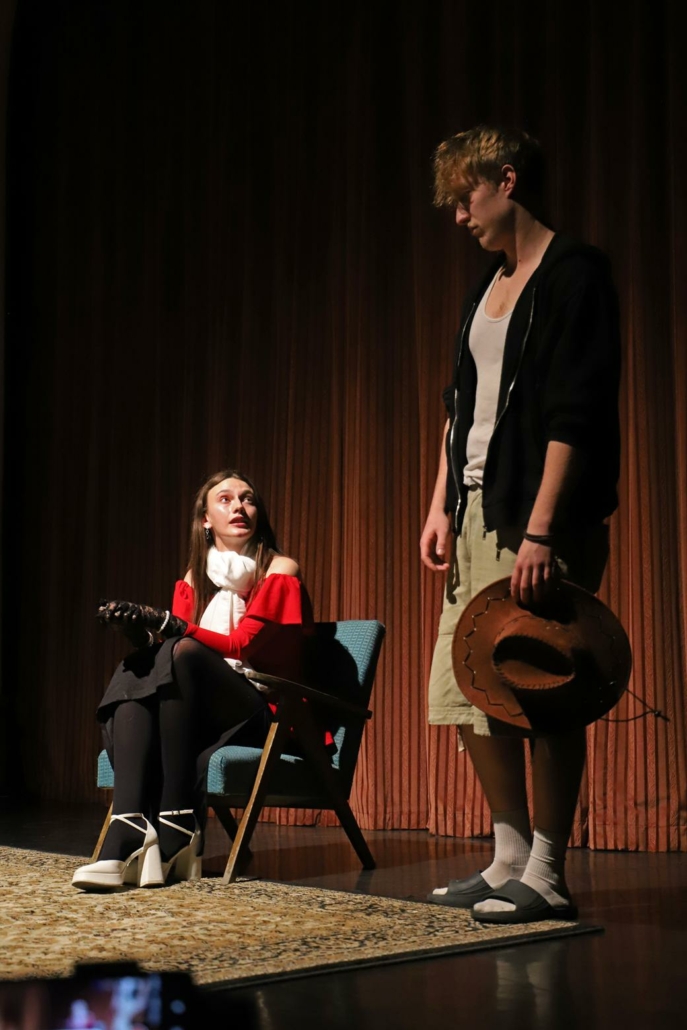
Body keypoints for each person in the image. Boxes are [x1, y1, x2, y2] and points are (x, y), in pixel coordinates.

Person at [421, 126, 621, 923]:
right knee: (464, 685)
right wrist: (439, 503)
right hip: (475, 508)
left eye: (463, 197)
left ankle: (546, 869)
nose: (457, 216)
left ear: (506, 181)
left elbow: (576, 411)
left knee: (540, 685)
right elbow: (459, 404)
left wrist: (541, 531)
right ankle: (506, 855)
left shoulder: (574, 274)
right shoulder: (488, 283)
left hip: (534, 518)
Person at [72, 469, 313, 891]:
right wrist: (141, 634)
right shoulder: (192, 578)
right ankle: (131, 823)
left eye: (248, 499)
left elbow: (239, 645)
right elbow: (169, 652)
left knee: (181, 652)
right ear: (205, 519)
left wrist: (168, 625)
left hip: (261, 712)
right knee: (140, 665)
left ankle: (171, 821)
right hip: (195, 714)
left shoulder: (279, 569)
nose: (239, 507)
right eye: (225, 499)